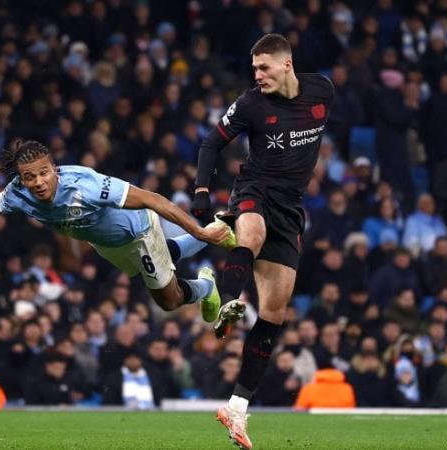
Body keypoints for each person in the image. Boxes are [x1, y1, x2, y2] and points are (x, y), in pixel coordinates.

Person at [0, 139, 235, 324]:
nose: (38, 182)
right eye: (29, 177)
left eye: (43, 173)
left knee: (168, 300)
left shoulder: (86, 185)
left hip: (139, 233)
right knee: (166, 258)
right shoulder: (17, 193)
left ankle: (207, 285)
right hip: (105, 244)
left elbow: (152, 199)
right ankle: (218, 228)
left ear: (54, 169)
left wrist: (198, 231)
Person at [191, 33, 334, 450]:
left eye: (264, 67)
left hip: (290, 207)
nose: (257, 75)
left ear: (287, 64)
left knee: (274, 311)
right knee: (251, 234)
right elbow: (211, 143)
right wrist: (202, 193)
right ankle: (228, 302)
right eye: (254, 68)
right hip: (255, 187)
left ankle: (236, 408)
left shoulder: (322, 91)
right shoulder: (251, 103)